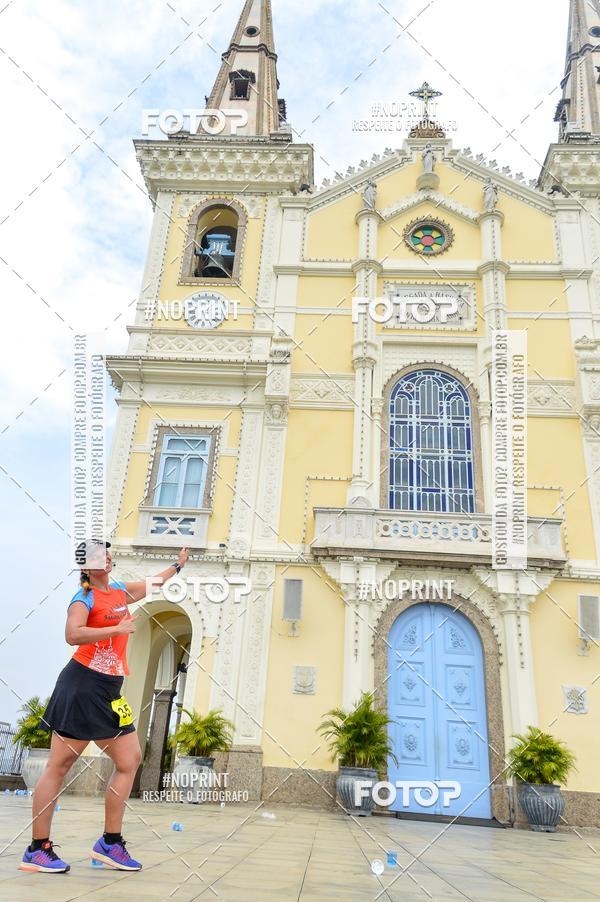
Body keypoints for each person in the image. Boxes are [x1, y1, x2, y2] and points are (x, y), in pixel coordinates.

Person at [19, 540, 189, 874]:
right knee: (59, 765)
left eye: (108, 553)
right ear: (87, 566)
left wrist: (178, 565)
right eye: (99, 554)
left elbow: (153, 583)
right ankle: (37, 849)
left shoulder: (120, 590)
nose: (107, 557)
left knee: (130, 759)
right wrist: (117, 628)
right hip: (82, 685)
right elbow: (73, 634)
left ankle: (110, 843)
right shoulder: (84, 598)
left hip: (109, 690)